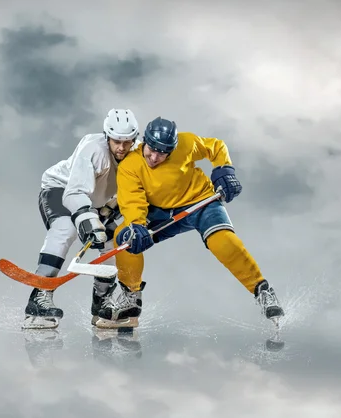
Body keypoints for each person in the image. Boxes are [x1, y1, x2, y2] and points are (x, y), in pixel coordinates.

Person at [94, 117, 284, 329]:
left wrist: (225, 169)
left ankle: (262, 290)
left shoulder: (186, 143)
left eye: (163, 152)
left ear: (173, 149)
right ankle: (131, 298)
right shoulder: (131, 165)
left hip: (201, 203)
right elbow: (132, 201)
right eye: (151, 149)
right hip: (160, 213)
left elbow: (216, 147)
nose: (155, 157)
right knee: (126, 239)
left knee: (223, 242)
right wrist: (136, 224)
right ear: (144, 141)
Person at [22, 108, 139, 329]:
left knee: (112, 242)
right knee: (66, 228)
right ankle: (40, 295)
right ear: (107, 137)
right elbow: (74, 193)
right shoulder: (94, 150)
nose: (122, 148)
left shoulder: (139, 155)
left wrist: (109, 211)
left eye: (127, 142)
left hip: (95, 203)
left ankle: (102, 303)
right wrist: (88, 220)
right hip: (61, 189)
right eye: (117, 141)